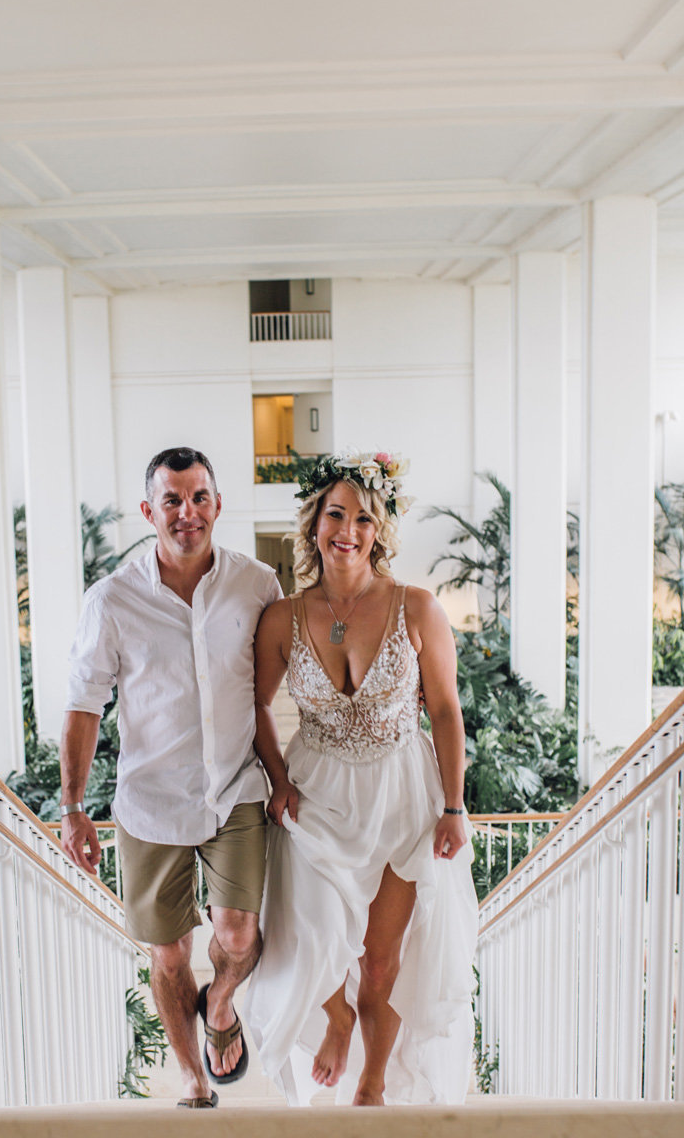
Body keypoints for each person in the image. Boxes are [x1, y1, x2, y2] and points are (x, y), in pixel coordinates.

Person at [245, 449, 478, 1107]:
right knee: (313, 937)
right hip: (317, 793)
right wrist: (278, 779)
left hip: (403, 793)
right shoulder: (281, 618)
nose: (347, 530)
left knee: (380, 963)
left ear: (380, 530)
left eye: (363, 518)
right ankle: (336, 1017)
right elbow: (257, 706)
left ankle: (373, 1083)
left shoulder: (418, 608)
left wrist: (454, 806)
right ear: (314, 524)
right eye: (335, 515)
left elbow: (445, 711)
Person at [60, 446, 281, 1109]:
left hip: (235, 790)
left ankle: (220, 1006)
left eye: (200, 497)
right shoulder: (112, 600)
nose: (188, 513)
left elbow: (277, 691)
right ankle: (192, 1078)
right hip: (151, 803)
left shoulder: (258, 585)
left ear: (217, 502)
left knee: (239, 936)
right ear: (148, 510)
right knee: (169, 953)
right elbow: (82, 704)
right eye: (173, 500)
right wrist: (72, 807)